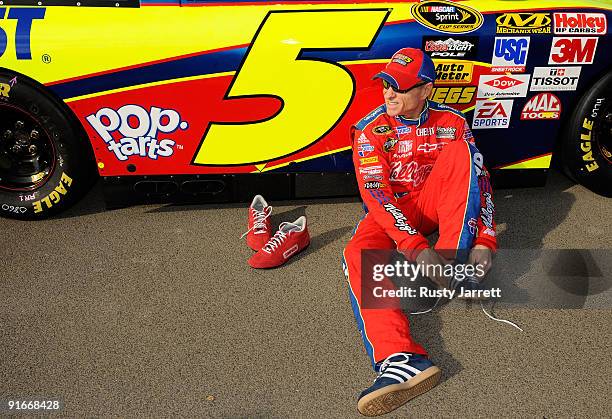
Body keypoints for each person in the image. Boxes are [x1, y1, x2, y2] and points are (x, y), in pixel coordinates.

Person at [342, 48, 497, 416]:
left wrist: (486, 238)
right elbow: (375, 194)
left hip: (439, 204)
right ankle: (401, 359)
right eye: (385, 85)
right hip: (393, 208)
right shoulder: (369, 129)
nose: (389, 94)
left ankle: (451, 263)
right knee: (355, 254)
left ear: (425, 89)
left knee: (463, 153)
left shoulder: (453, 122)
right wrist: (413, 246)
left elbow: (481, 181)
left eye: (400, 87)